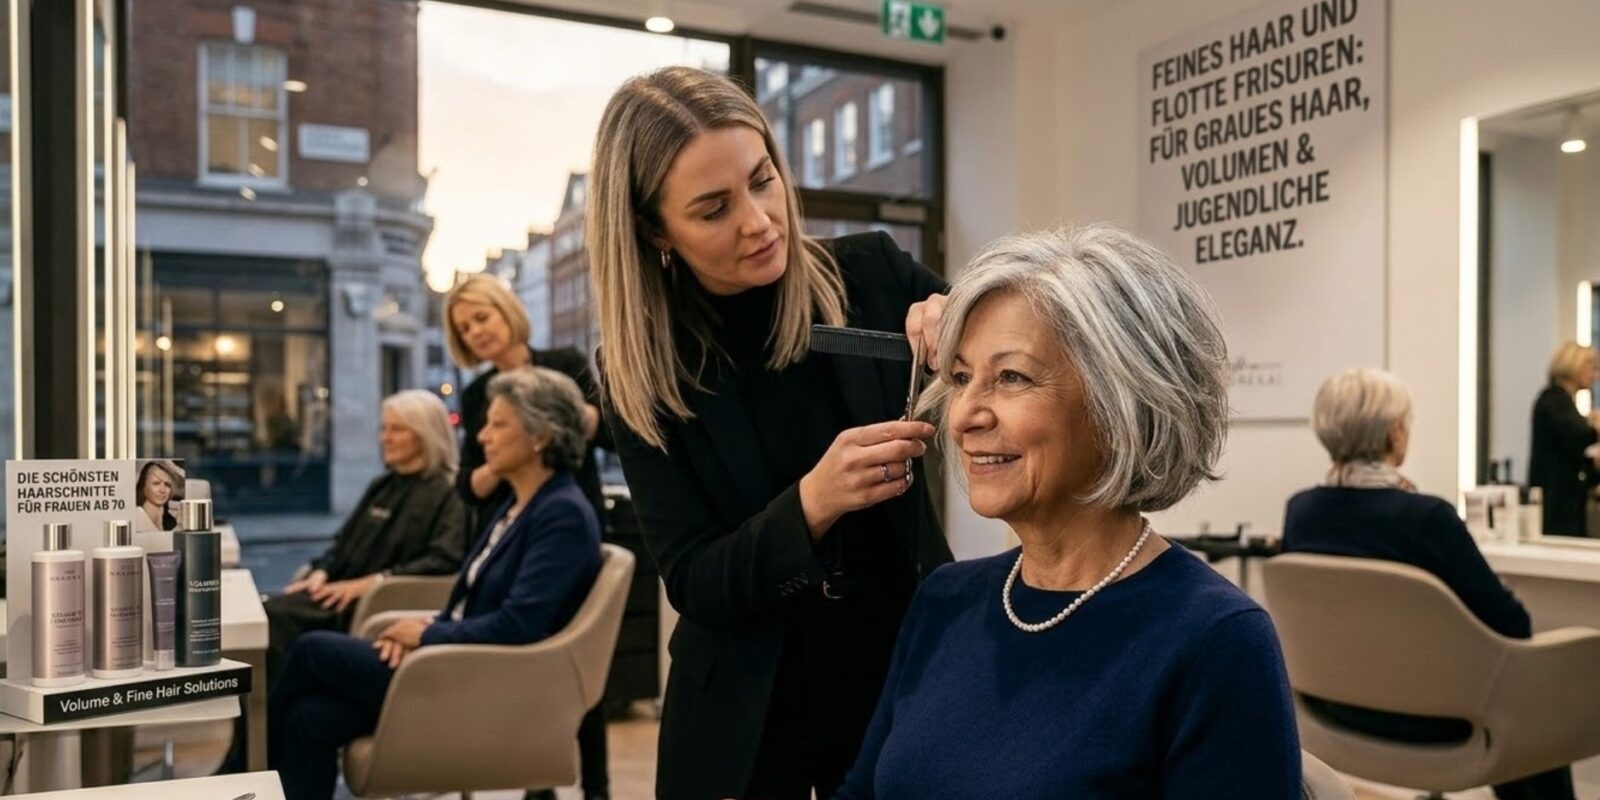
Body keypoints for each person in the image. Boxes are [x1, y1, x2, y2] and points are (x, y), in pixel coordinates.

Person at [836, 226, 1300, 798]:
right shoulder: (942, 601)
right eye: (960, 378)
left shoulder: (1215, 642)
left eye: (1011, 377)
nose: (963, 417)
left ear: (1120, 402)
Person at [591, 66, 952, 800]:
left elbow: (1014, 335)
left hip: (901, 686)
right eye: (713, 208)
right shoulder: (643, 370)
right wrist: (815, 501)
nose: (758, 221)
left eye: (763, 180)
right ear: (655, 229)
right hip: (743, 725)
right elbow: (695, 580)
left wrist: (963, 314)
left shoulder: (871, 276)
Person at [267, 367, 601, 800]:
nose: (482, 437)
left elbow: (519, 624)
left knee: (313, 649)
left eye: (498, 424)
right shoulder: (521, 505)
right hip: (453, 656)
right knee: (309, 719)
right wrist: (422, 631)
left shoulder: (562, 514)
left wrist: (426, 633)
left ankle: (247, 775)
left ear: (540, 436)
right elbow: (476, 605)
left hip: (477, 677)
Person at [1284, 367, 1572, 800]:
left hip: (1335, 714)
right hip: (1438, 726)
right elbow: (1512, 622)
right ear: (1395, 433)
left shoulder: (1302, 511)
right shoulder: (1427, 518)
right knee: (1533, 706)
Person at [442, 272, 612, 800]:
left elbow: (609, 433)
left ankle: (598, 791)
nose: (476, 332)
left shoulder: (564, 364)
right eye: (465, 328)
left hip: (568, 529)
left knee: (579, 670)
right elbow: (469, 486)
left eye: (482, 317)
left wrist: (556, 420)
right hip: (512, 539)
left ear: (506, 311)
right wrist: (507, 453)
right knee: (531, 664)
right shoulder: (476, 397)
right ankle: (539, 789)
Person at [264, 390, 467, 681]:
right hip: (333, 592)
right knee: (264, 611)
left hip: (370, 605)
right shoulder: (382, 484)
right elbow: (341, 542)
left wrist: (370, 583)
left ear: (425, 434)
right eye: (384, 429)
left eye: (397, 429)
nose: (385, 438)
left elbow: (444, 558)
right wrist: (320, 571)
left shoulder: (450, 493)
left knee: (275, 619)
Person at [1528, 342, 1600, 536]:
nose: (1595, 376)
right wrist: (1595, 426)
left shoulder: (1563, 402)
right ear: (1575, 365)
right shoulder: (1554, 400)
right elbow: (1578, 435)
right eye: (1592, 368)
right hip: (1557, 502)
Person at [133, 460, 180, 532]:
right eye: (156, 483)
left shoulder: (173, 522)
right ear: (144, 485)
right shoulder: (137, 518)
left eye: (167, 485)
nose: (162, 490)